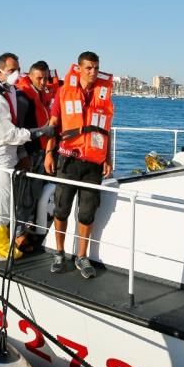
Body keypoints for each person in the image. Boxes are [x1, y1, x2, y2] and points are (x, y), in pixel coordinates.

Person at [0, 53, 54, 261]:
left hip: (4, 153)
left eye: (17, 69)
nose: (15, 74)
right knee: (1, 201)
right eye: (10, 70)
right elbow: (9, 133)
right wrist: (40, 132)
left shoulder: (8, 92)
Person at [45, 51, 115, 279]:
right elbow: (53, 125)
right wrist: (48, 153)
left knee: (87, 212)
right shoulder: (64, 93)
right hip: (68, 159)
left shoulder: (103, 96)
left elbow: (105, 130)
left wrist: (108, 157)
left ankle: (81, 256)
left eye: (96, 68)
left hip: (93, 163)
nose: (93, 72)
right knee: (61, 208)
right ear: (80, 68)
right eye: (88, 68)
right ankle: (59, 253)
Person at [13, 60, 52, 251]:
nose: (44, 82)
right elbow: (17, 129)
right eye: (39, 78)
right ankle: (17, 235)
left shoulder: (42, 96)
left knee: (34, 194)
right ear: (30, 77)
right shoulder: (22, 97)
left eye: (46, 78)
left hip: (40, 152)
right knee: (23, 197)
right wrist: (22, 156)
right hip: (27, 153)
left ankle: (25, 229)